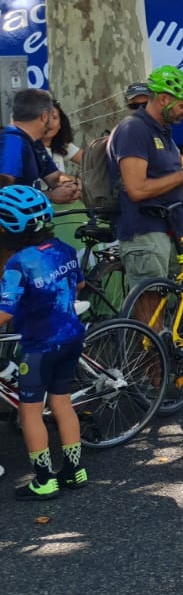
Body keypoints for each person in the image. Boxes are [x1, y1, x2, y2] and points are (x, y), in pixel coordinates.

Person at [0, 186, 89, 499]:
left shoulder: (17, 264)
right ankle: (74, 471)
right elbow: (78, 283)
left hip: (38, 347)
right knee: (62, 403)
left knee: (30, 413)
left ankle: (44, 479)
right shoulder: (62, 248)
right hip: (71, 336)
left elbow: (5, 311)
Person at [108, 67, 183, 317]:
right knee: (150, 303)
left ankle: (161, 350)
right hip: (144, 230)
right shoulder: (134, 129)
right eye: (182, 105)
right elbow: (136, 189)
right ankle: (149, 355)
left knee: (164, 303)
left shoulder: (161, 130)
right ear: (164, 99)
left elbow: (170, 166)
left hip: (166, 228)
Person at [0, 89, 82, 205]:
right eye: (52, 115)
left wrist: (72, 186)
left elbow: (54, 177)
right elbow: (4, 191)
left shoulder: (35, 142)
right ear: (44, 117)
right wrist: (49, 196)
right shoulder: (13, 142)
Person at [45, 106, 82, 179]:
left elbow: (89, 161)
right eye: (44, 118)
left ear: (60, 124)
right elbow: (56, 179)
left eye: (54, 118)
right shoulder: (28, 148)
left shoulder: (61, 145)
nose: (50, 123)